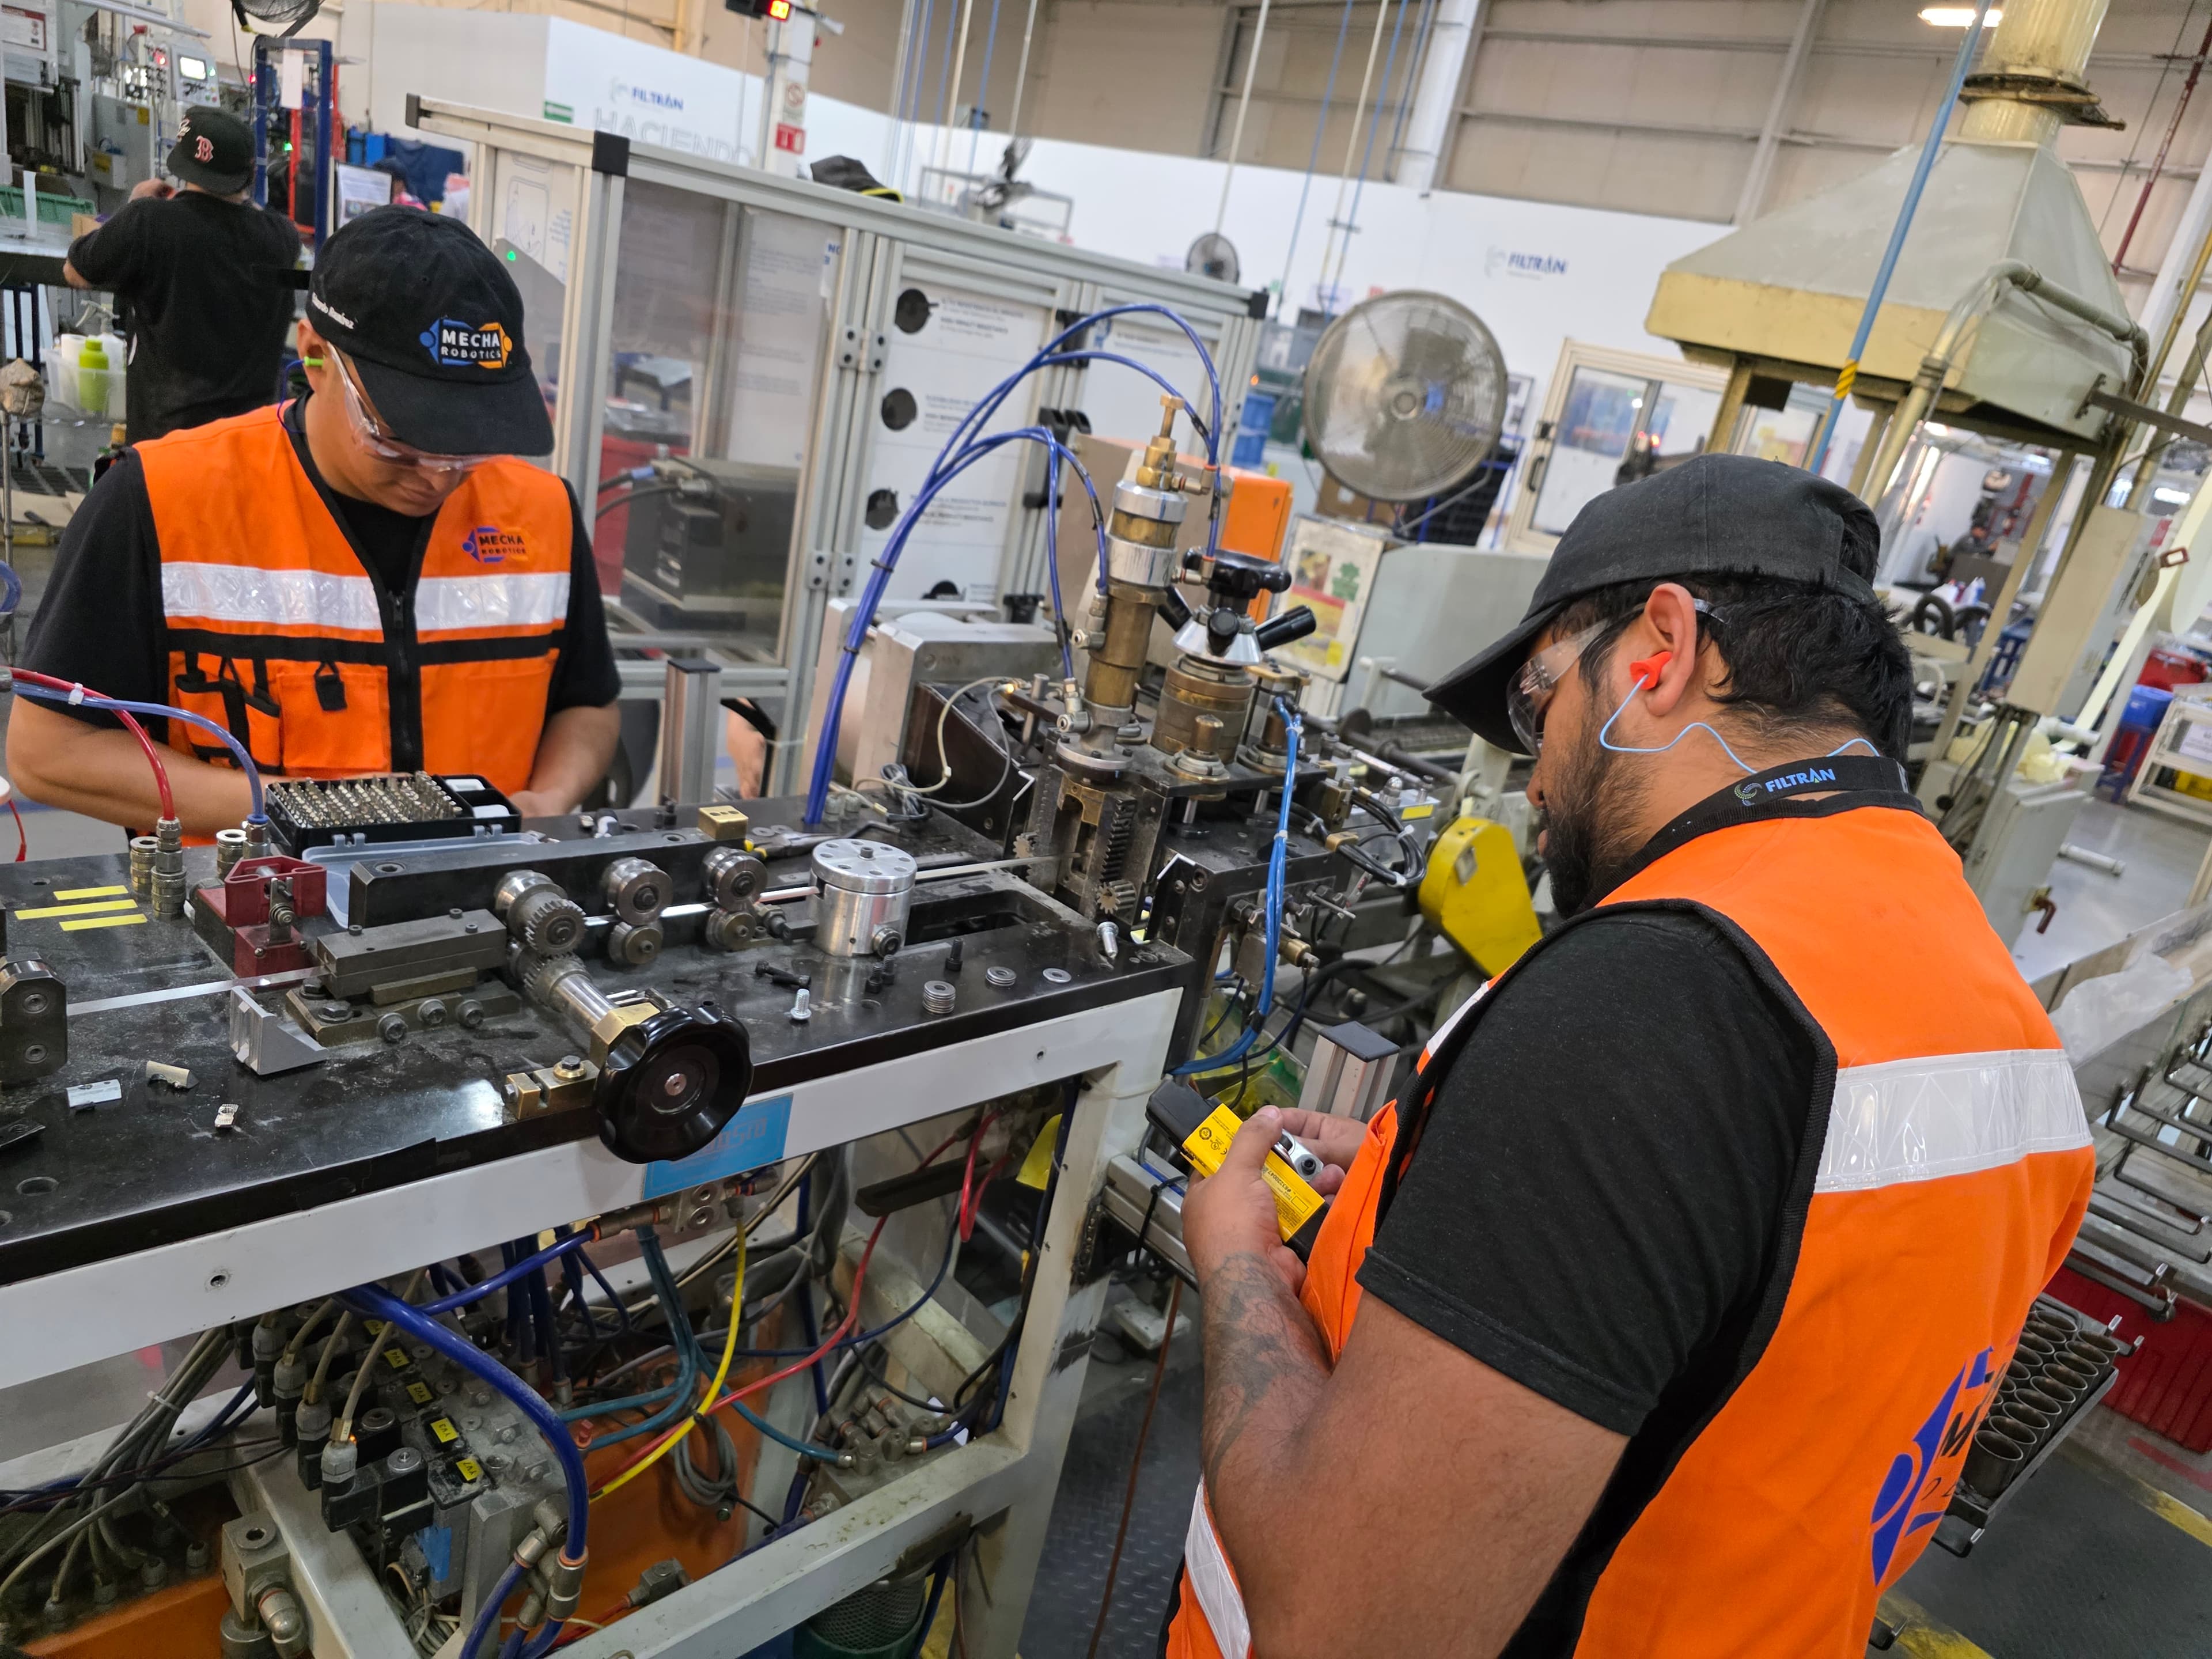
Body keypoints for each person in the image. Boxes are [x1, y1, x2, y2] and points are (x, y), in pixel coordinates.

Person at [1170, 455, 2094, 1659]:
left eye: (1538, 701)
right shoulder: (1986, 1005)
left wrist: (1238, 1266)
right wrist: (1453, 1195)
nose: (1536, 769)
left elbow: (1339, 1625)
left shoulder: (1641, 1008)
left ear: (1658, 650)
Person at [12, 208, 620, 835]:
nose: (438, 476)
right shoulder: (158, 501)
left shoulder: (542, 512)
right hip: (237, 914)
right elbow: (50, 753)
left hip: (485, 909)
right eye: (398, 440)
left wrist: (548, 801)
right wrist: (310, 810)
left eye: (470, 446)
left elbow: (588, 704)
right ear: (315, 357)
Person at [62, 106, 302, 442]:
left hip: (167, 447)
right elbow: (246, 215)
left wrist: (134, 204)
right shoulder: (282, 239)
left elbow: (75, 271)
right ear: (249, 174)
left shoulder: (148, 222)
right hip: (250, 447)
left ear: (183, 164)